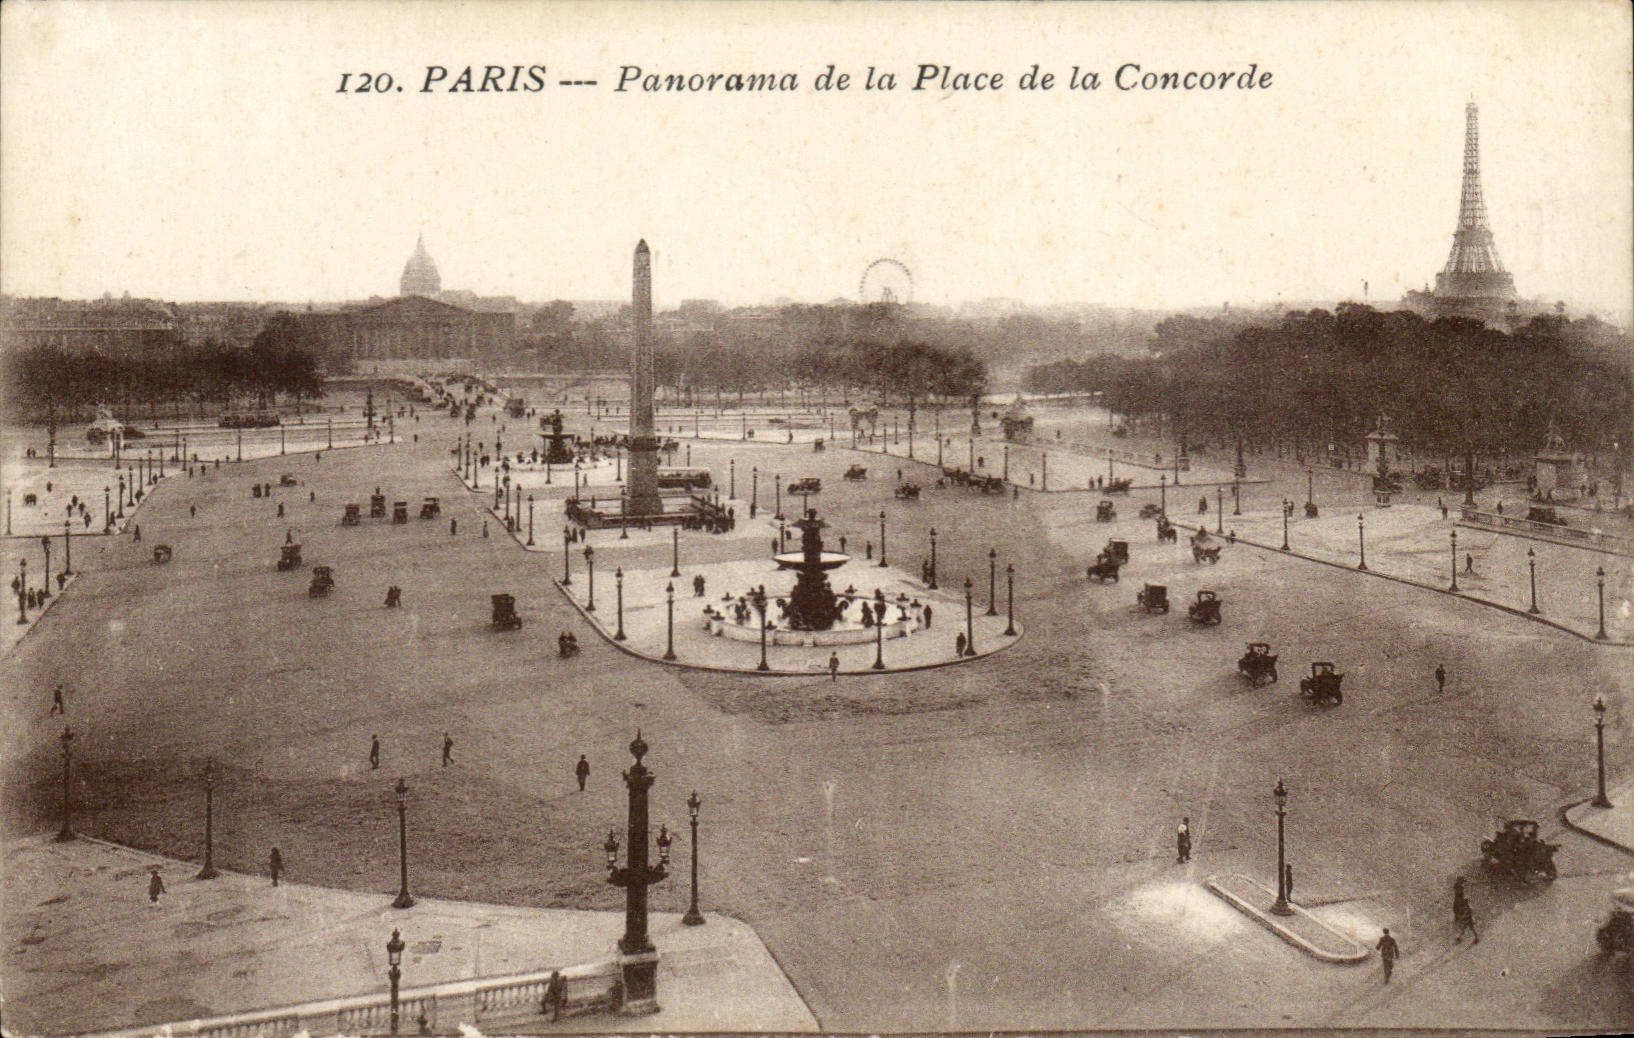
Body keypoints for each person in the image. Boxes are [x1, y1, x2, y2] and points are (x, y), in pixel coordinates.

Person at [1453, 876, 1478, 943]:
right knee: (1467, 923)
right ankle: (1475, 937)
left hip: (1462, 908)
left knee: (1467, 923)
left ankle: (1460, 937)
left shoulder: (1458, 891)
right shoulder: (1459, 890)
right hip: (1462, 908)